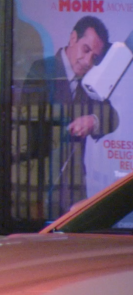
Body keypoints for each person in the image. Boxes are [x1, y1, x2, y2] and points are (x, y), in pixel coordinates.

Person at [20, 15, 118, 223]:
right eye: (86, 49)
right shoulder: (42, 70)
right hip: (40, 187)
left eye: (95, 56)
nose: (88, 61)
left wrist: (93, 120)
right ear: (72, 38)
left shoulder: (91, 81)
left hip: (73, 192)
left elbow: (113, 117)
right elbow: (30, 130)